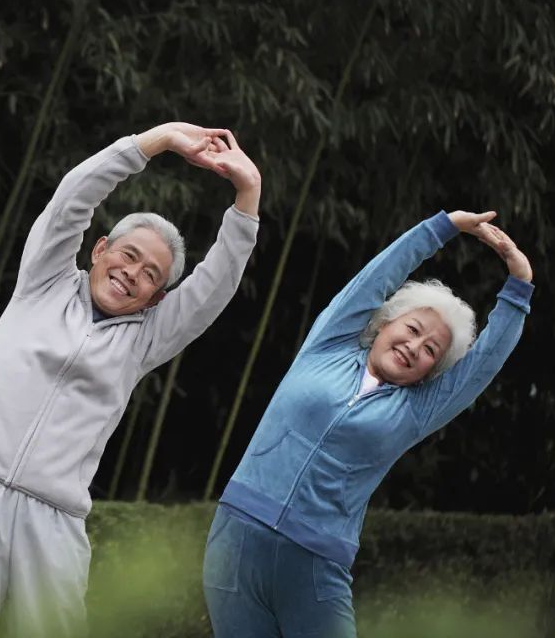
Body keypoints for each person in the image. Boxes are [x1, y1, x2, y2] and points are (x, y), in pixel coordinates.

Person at [0, 122, 262, 638]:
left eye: (151, 275)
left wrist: (247, 195)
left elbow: (214, 286)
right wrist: (156, 141)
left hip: (54, 521)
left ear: (158, 297)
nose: (133, 273)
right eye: (129, 255)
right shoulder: (43, 281)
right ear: (99, 250)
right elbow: (73, 198)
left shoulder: (145, 338)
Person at [204, 209, 534, 638]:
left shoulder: (417, 409)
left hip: (316, 564)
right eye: (412, 329)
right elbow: (378, 276)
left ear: (432, 369)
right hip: (235, 539)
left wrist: (518, 284)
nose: (415, 346)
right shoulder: (327, 345)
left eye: (431, 349)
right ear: (383, 323)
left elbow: (483, 364)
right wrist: (444, 226)